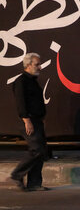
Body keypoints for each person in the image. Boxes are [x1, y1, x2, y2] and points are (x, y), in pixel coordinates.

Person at [8, 53, 50, 192]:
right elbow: (21, 103)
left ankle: (34, 183)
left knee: (41, 151)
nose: (40, 67)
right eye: (37, 64)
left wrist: (41, 120)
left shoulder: (33, 81)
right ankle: (16, 174)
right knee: (36, 150)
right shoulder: (21, 81)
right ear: (28, 65)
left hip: (37, 120)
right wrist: (27, 121)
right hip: (28, 120)